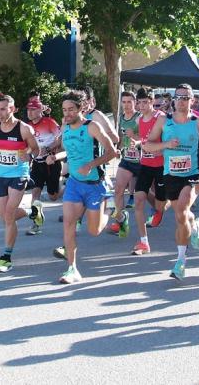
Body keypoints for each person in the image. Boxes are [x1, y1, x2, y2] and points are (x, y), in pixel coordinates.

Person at [142, 83, 199, 280]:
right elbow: (148, 146)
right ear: (173, 100)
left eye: (186, 97)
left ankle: (181, 261)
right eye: (179, 97)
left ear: (192, 100)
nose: (182, 101)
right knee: (182, 214)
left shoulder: (198, 122)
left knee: (180, 213)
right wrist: (166, 144)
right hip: (170, 175)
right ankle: (195, 225)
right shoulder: (163, 121)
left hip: (192, 175)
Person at [46, 90, 117, 284]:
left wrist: (91, 165)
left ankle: (110, 208)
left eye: (70, 109)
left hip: (95, 185)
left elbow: (113, 152)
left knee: (94, 231)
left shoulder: (92, 127)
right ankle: (72, 269)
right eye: (64, 110)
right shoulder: (65, 127)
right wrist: (55, 157)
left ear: (81, 108)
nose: (66, 113)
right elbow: (68, 151)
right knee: (69, 224)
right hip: (74, 184)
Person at [0, 95, 41, 273]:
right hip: (0, 175)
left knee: (8, 213)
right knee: (5, 218)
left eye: (4, 109)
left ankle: (6, 257)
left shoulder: (24, 129)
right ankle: (32, 211)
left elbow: (36, 149)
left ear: (12, 109)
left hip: (19, 174)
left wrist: (29, 154)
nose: (0, 113)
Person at [130, 87, 167, 255]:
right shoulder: (139, 120)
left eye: (146, 102)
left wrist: (162, 149)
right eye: (140, 103)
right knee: (138, 200)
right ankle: (144, 242)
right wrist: (136, 142)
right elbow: (142, 139)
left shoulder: (161, 118)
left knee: (161, 204)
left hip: (161, 165)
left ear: (152, 102)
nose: (143, 106)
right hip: (145, 164)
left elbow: (168, 140)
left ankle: (160, 210)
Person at [26, 97, 61, 234]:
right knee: (35, 193)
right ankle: (36, 223)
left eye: (33, 109)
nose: (30, 112)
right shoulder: (27, 126)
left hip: (51, 163)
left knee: (53, 196)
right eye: (28, 109)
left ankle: (63, 187)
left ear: (40, 110)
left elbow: (60, 139)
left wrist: (47, 149)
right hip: (37, 164)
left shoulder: (49, 122)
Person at [109, 91, 140, 237]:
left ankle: (157, 211)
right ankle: (121, 220)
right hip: (127, 159)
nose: (126, 105)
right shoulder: (121, 118)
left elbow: (147, 137)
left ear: (135, 102)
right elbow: (121, 137)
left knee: (151, 195)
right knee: (118, 190)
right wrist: (118, 148)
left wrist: (134, 136)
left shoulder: (139, 118)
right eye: (124, 102)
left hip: (142, 161)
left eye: (129, 102)